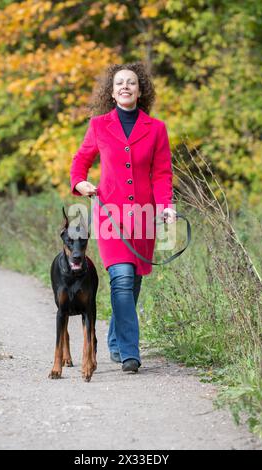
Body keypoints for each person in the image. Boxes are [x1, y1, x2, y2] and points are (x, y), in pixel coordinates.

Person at [70, 62, 175, 373]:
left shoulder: (156, 129)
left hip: (144, 217)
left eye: (131, 82)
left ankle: (116, 340)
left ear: (140, 90)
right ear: (112, 92)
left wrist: (166, 205)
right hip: (109, 215)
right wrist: (79, 182)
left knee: (134, 283)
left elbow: (162, 174)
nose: (125, 86)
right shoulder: (99, 125)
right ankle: (131, 353)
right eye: (119, 83)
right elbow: (81, 160)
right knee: (122, 278)